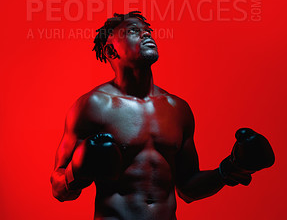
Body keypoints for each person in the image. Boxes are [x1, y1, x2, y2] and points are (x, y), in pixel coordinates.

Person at [50, 11, 274, 220]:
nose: (146, 34)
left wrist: (230, 170)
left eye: (147, 31)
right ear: (111, 51)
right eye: (133, 31)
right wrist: (76, 172)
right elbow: (58, 188)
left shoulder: (177, 109)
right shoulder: (93, 105)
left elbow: (188, 189)